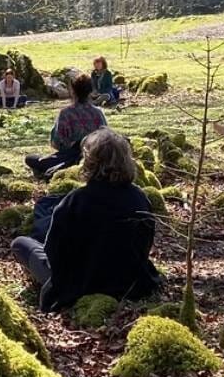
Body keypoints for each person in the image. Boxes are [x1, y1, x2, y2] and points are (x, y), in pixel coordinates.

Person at [12, 128, 162, 311]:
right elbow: (144, 246)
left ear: (89, 161)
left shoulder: (75, 201)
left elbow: (54, 253)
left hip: (79, 284)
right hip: (130, 281)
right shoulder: (140, 198)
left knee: (20, 243)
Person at [25, 73, 107, 177]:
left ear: (73, 91)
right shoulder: (98, 112)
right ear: (90, 91)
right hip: (97, 157)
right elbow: (106, 137)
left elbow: (58, 142)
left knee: (31, 159)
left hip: (72, 155)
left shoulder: (66, 113)